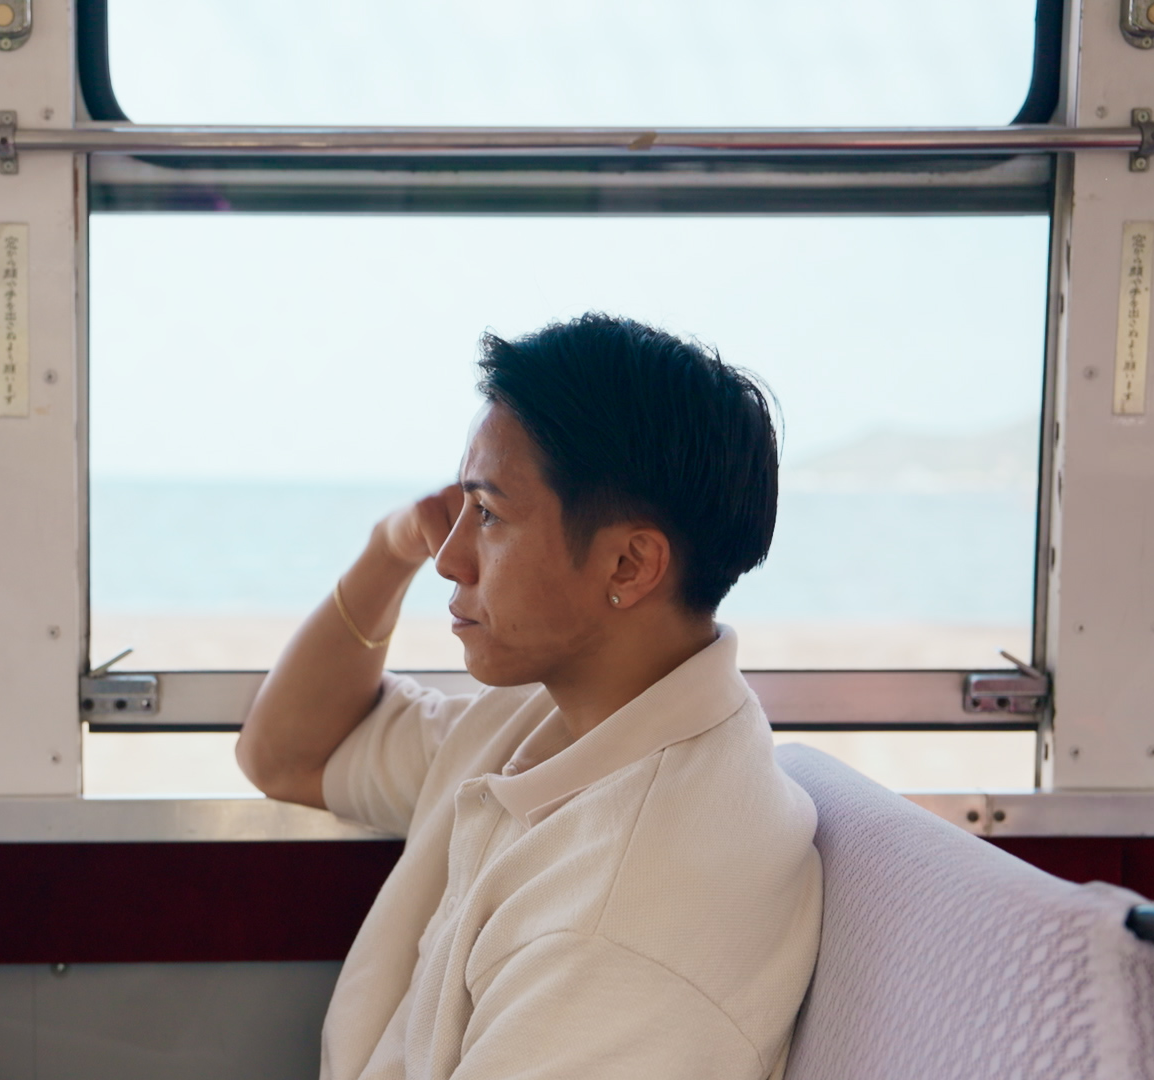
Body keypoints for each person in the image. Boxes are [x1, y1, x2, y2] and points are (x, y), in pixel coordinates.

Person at [236, 313, 822, 1080]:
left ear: (628, 566)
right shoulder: (556, 713)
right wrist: (390, 546)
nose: (448, 558)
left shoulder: (620, 931)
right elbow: (286, 757)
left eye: (487, 514)